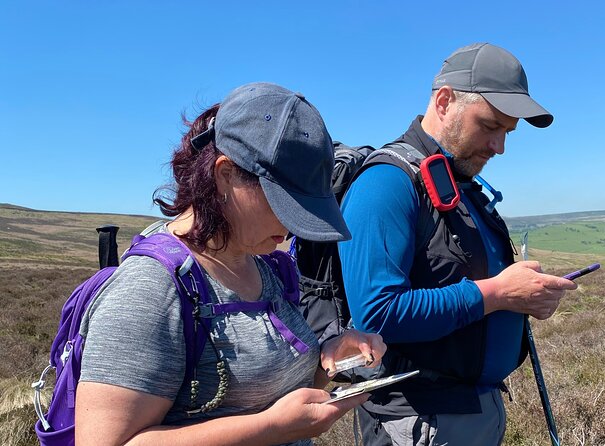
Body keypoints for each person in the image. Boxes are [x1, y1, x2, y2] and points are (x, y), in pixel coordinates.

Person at [75, 82, 386, 446]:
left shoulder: (269, 267)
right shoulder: (150, 289)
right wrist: (273, 428)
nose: (290, 227)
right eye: (283, 204)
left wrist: (327, 362)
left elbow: (275, 392)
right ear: (225, 175)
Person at [338, 43, 578, 445]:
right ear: (445, 101)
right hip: (419, 420)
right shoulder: (386, 184)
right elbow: (376, 315)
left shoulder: (459, 184)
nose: (499, 146)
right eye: (489, 126)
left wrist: (526, 297)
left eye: (507, 132)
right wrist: (498, 293)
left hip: (471, 411)